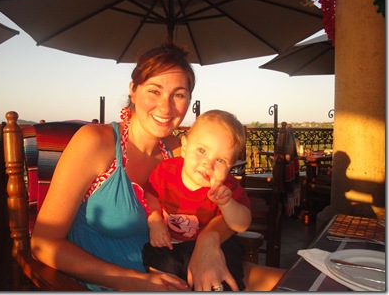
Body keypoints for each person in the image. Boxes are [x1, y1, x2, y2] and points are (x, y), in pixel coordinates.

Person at [30, 42, 285, 292]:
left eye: (179, 94)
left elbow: (229, 207)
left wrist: (209, 241)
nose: (166, 107)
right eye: (154, 91)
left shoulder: (179, 152)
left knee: (296, 283)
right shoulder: (97, 143)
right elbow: (43, 243)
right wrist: (130, 281)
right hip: (108, 283)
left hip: (180, 272)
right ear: (133, 90)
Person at [142, 109, 252, 291]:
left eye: (221, 160)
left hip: (214, 248)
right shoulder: (166, 171)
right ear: (185, 147)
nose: (207, 164)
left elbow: (242, 224)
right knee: (154, 256)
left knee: (230, 260)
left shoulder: (227, 188)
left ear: (230, 166)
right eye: (201, 150)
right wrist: (154, 221)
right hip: (171, 243)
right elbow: (150, 195)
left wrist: (227, 204)